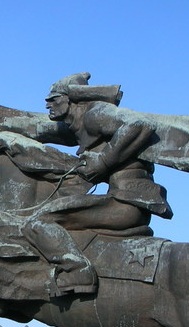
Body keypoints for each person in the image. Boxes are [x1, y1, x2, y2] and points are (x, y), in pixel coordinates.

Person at [43, 72, 173, 220]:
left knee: (44, 219)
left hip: (129, 200)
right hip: (118, 197)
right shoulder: (77, 126)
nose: (47, 105)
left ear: (71, 98)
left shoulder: (95, 114)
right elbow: (33, 126)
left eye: (53, 99)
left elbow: (140, 124)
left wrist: (103, 162)